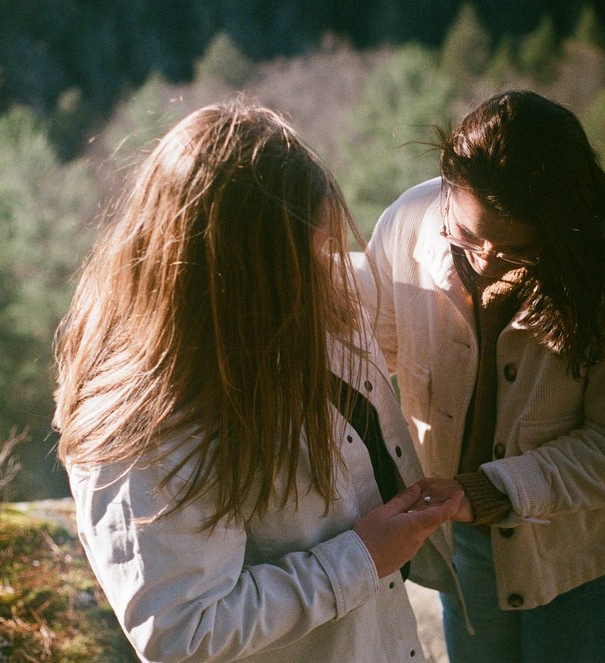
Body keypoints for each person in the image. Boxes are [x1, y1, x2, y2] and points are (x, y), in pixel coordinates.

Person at [53, 100, 464, 662]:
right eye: (310, 253)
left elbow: (405, 271)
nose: (331, 268)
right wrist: (362, 559)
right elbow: (183, 634)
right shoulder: (143, 422)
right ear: (240, 268)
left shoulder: (292, 309)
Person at [358, 90, 605, 662]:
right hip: (464, 543)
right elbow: (366, 346)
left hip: (579, 548)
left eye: (513, 251)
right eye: (465, 236)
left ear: (563, 225)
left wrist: (488, 490)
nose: (483, 260)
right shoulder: (409, 223)